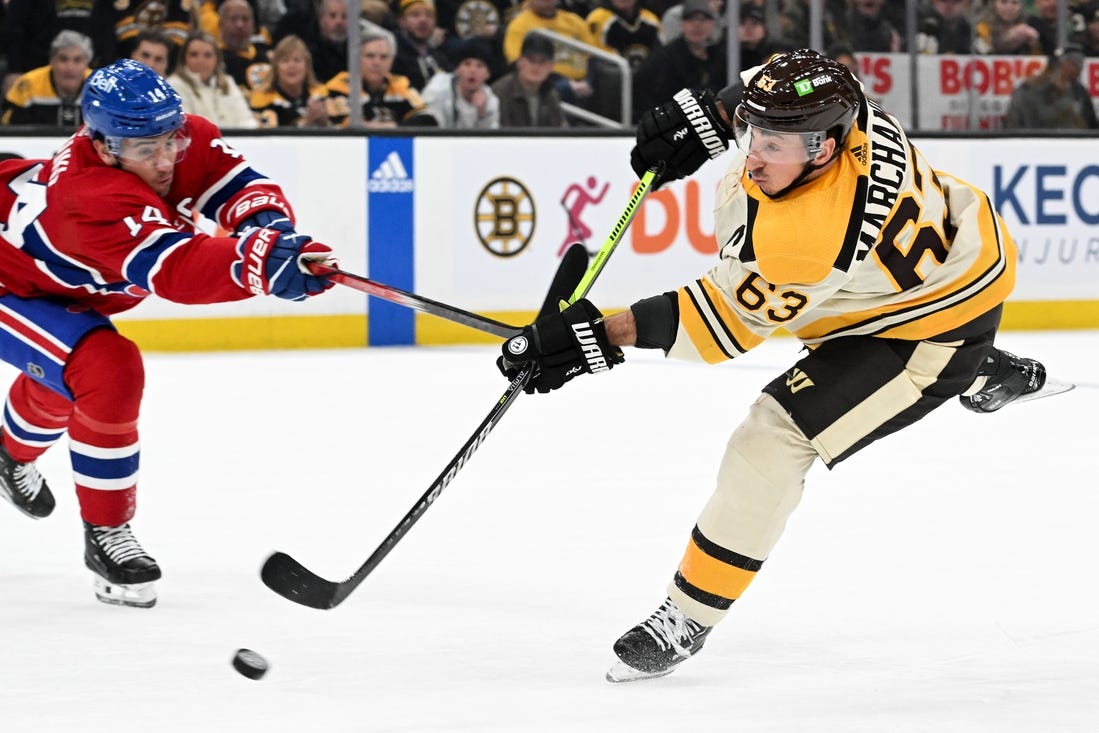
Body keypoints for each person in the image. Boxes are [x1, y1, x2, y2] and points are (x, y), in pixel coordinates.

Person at [497, 49, 1055, 682]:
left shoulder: (807, 238)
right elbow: (794, 68)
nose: (753, 154)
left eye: (773, 144)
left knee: (769, 440)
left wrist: (596, 337)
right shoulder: (843, 107)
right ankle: (982, 370)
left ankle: (690, 613)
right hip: (914, 273)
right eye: (752, 133)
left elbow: (720, 324)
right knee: (824, 333)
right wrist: (709, 115)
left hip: (927, 327)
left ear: (822, 149)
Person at [0, 59, 333, 609]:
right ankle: (107, 536)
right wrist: (261, 266)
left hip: (60, 277)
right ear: (103, 145)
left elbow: (242, 187)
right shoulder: (88, 200)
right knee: (107, 369)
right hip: (10, 281)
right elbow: (178, 267)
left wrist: (272, 236)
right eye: (145, 150)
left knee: (71, 374)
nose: (163, 161)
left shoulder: (175, 138)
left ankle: (10, 455)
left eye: (169, 142)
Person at [631, 0, 726, 120]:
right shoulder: (664, 58)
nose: (697, 25)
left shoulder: (719, 58)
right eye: (690, 19)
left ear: (712, 24)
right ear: (682, 24)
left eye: (703, 19)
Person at [325, 29, 439, 127]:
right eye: (370, 56)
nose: (377, 63)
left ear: (391, 61)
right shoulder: (338, 86)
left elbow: (428, 119)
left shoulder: (401, 84)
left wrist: (393, 127)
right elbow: (345, 125)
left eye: (383, 57)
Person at [503, 0, 595, 105]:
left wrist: (588, 81)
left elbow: (592, 56)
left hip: (583, 82)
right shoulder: (519, 25)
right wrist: (567, 83)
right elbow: (518, 63)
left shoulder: (575, 21)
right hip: (546, 82)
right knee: (563, 89)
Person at [168, 31, 260, 129]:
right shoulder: (174, 85)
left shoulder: (227, 83)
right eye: (194, 55)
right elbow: (184, 127)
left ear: (217, 59)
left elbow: (246, 120)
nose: (201, 61)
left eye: (207, 55)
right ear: (183, 59)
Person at [1, 30, 93, 127]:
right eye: (63, 59)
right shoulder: (28, 84)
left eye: (77, 60)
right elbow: (9, 132)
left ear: (87, 64)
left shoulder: (103, 89)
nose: (70, 67)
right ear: (51, 61)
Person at [1004, 44, 1098, 129]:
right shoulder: (1029, 90)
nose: (1080, 69)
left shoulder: (1079, 91)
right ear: (1064, 63)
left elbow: (1090, 123)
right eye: (1076, 64)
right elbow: (1014, 122)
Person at [250, 34, 334, 127]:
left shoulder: (321, 94)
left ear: (307, 66)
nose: (291, 66)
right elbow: (268, 139)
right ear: (276, 67)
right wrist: (307, 124)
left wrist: (326, 124)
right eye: (285, 61)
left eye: (297, 60)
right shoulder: (261, 98)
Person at [492, 32, 567, 127]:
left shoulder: (550, 93)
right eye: (531, 60)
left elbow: (560, 130)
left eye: (542, 62)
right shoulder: (500, 93)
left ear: (551, 66)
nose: (536, 67)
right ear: (519, 61)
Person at [421, 39, 500, 128]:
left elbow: (489, 139)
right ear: (457, 69)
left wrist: (482, 115)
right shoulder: (438, 89)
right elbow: (429, 129)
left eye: (480, 66)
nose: (472, 70)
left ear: (487, 74)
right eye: (467, 64)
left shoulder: (491, 100)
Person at [393, 0, 455, 94]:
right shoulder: (393, 56)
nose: (423, 20)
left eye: (429, 15)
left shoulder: (440, 58)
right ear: (402, 22)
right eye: (415, 15)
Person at [218, 0, 274, 90]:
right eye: (233, 19)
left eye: (245, 19)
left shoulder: (264, 56)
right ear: (221, 25)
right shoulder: (216, 61)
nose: (240, 25)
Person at [974, 0, 1041, 55]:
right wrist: (1006, 41)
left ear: (1021, 6)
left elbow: (1042, 64)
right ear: (994, 4)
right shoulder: (983, 27)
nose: (1009, 7)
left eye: (1014, 3)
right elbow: (983, 56)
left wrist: (1034, 44)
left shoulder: (1030, 25)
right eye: (1004, 2)